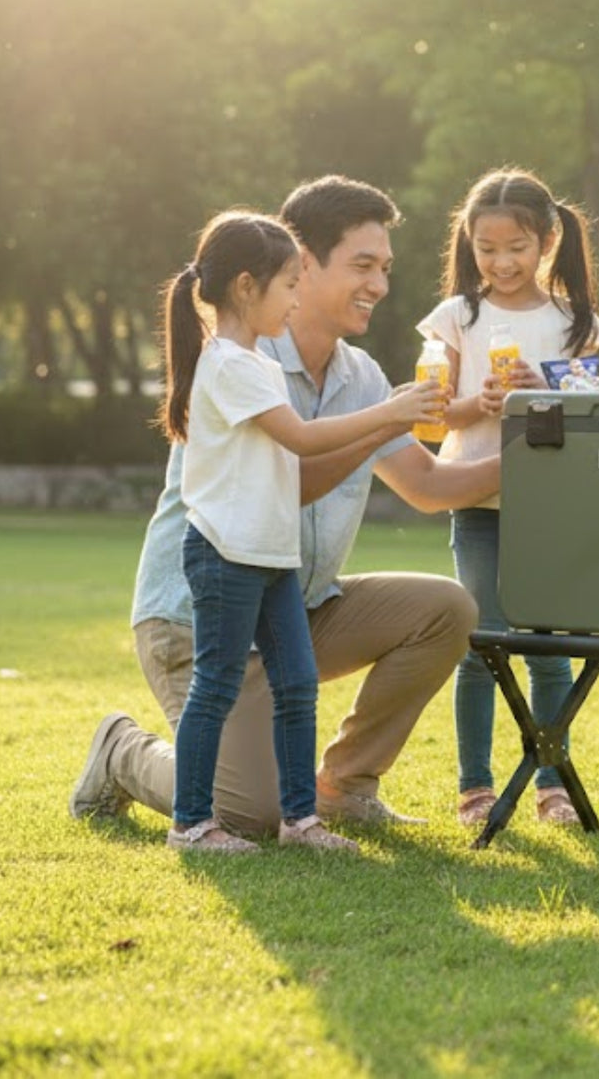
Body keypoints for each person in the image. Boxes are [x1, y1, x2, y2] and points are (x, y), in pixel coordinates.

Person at [70, 177, 501, 844]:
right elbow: (286, 480)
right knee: (247, 814)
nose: (379, 286)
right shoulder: (240, 360)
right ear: (300, 261)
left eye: (385, 268)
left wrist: (532, 455)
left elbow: (427, 486)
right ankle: (122, 752)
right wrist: (381, 421)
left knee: (444, 609)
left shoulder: (359, 374)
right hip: (200, 618)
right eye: (363, 265)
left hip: (295, 607)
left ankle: (344, 788)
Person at [157, 210, 444, 853]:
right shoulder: (228, 364)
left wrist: (391, 415)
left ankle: (300, 820)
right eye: (289, 284)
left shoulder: (253, 362)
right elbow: (302, 439)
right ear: (244, 287)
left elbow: (296, 464)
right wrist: (390, 413)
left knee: (297, 683)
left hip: (269, 553)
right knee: (217, 686)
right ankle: (191, 826)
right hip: (225, 554)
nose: (296, 297)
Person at [417, 168, 599, 827]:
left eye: (516, 248)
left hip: (551, 507)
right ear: (468, 243)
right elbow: (431, 415)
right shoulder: (457, 317)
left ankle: (553, 783)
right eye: (486, 248)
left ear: (547, 240)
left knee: (549, 650)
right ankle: (476, 786)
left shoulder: (574, 322)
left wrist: (545, 393)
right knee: (480, 642)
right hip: (477, 503)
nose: (501, 262)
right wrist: (481, 401)